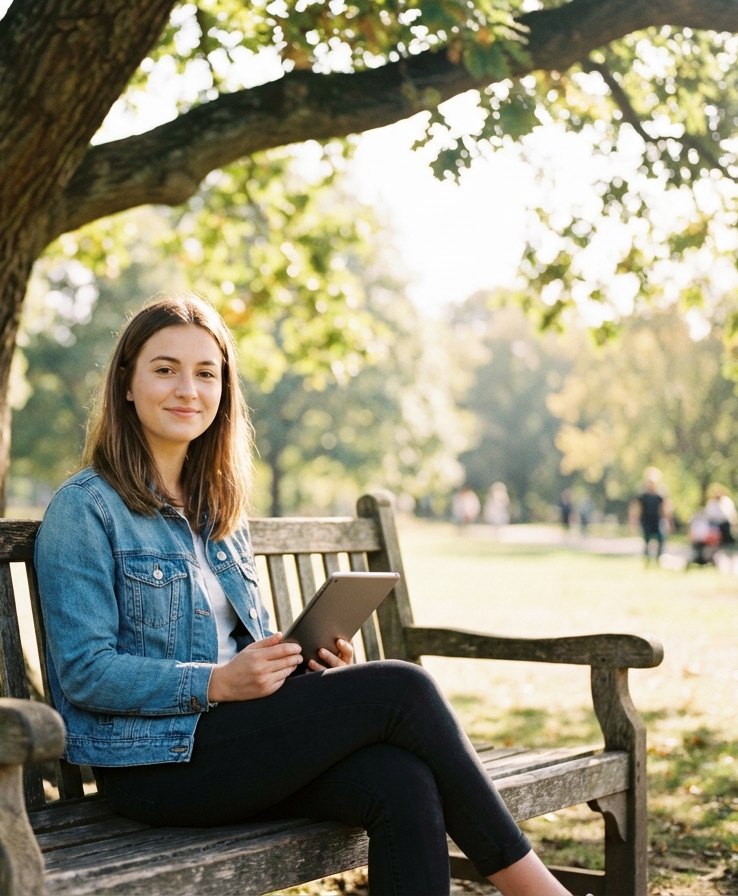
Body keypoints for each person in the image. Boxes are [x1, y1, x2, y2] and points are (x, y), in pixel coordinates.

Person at [34, 295, 570, 896]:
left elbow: (246, 645)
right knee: (404, 688)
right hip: (154, 766)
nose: (188, 388)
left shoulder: (218, 511)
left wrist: (298, 665)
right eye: (165, 369)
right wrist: (216, 682)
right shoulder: (84, 509)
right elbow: (84, 672)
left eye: (206, 373)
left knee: (401, 781)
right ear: (127, 384)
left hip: (235, 742)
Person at [633, 468, 670, 566]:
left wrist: (668, 521)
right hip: (646, 520)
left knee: (660, 539)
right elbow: (637, 508)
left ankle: (658, 559)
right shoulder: (643, 494)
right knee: (646, 541)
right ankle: (647, 561)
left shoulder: (660, 494)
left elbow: (664, 508)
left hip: (657, 520)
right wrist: (634, 521)